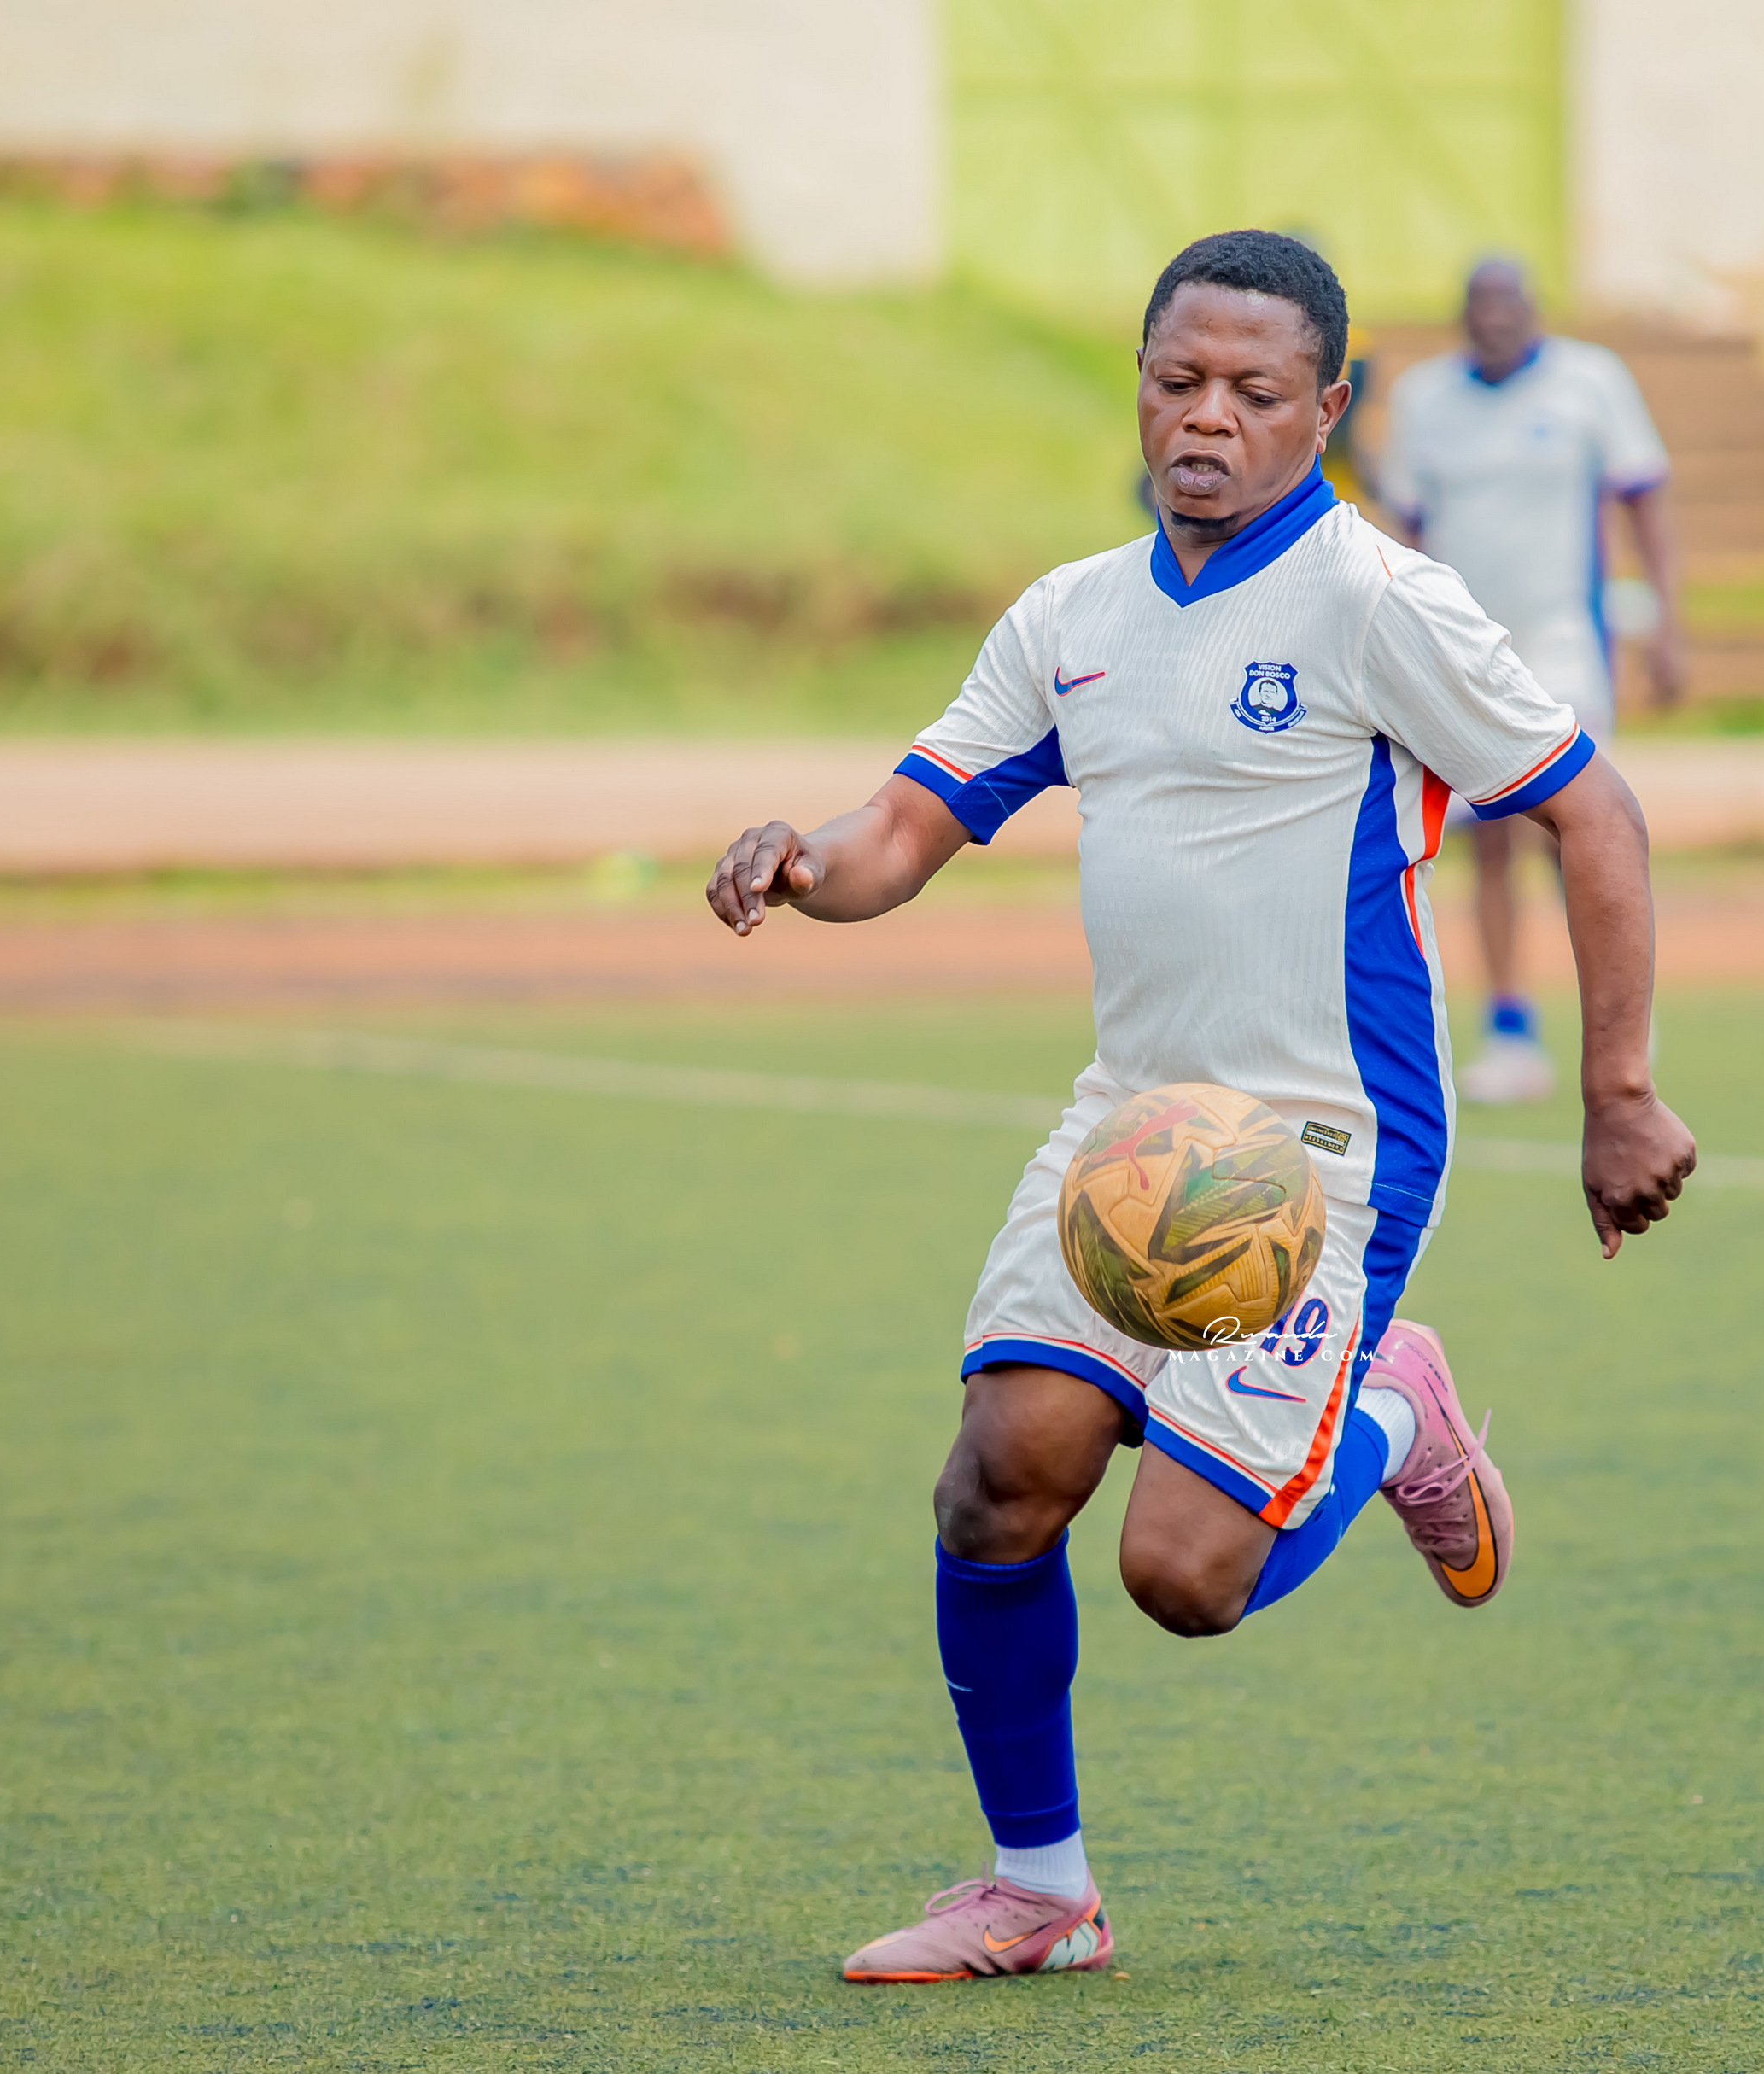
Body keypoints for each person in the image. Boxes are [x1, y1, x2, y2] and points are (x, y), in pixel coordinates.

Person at [706, 230, 1696, 1983]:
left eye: (1254, 390)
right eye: (1179, 381)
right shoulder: (1072, 615)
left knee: (1183, 1574)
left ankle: (1393, 1407)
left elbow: (1592, 810)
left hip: (1321, 1146)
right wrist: (804, 862)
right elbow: (907, 827)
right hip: (1132, 1128)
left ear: (1328, 408)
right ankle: (1041, 1891)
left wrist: (1616, 1089)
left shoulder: (1382, 602)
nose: (1209, 417)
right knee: (999, 1479)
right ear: (1143, 386)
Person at [1379, 259, 1686, 1105]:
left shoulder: (1591, 382)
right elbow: (1407, 528)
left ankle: (1619, 1014)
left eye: (1507, 304)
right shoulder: (1425, 399)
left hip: (1563, 644)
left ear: (1533, 310)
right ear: (1461, 316)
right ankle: (1509, 1029)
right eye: (1477, 306)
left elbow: (1644, 499)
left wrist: (1667, 622)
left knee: (1576, 827)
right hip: (1463, 650)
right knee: (1486, 835)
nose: (1494, 320)